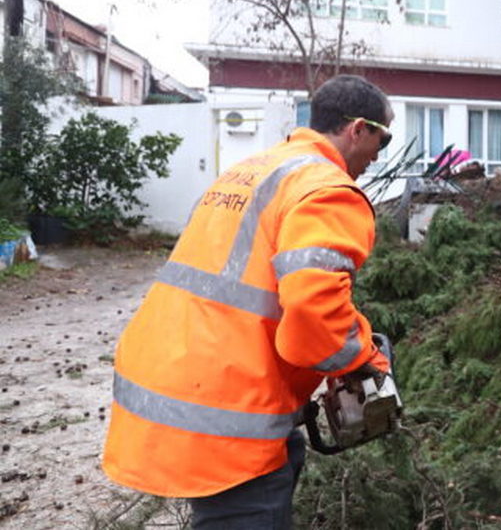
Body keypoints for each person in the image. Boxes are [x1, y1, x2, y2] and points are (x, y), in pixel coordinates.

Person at [102, 74, 395, 528]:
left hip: (178, 371)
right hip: (227, 406)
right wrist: (366, 359)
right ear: (358, 129)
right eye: (383, 138)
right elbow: (314, 317)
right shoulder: (329, 190)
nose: (378, 156)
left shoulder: (256, 168)